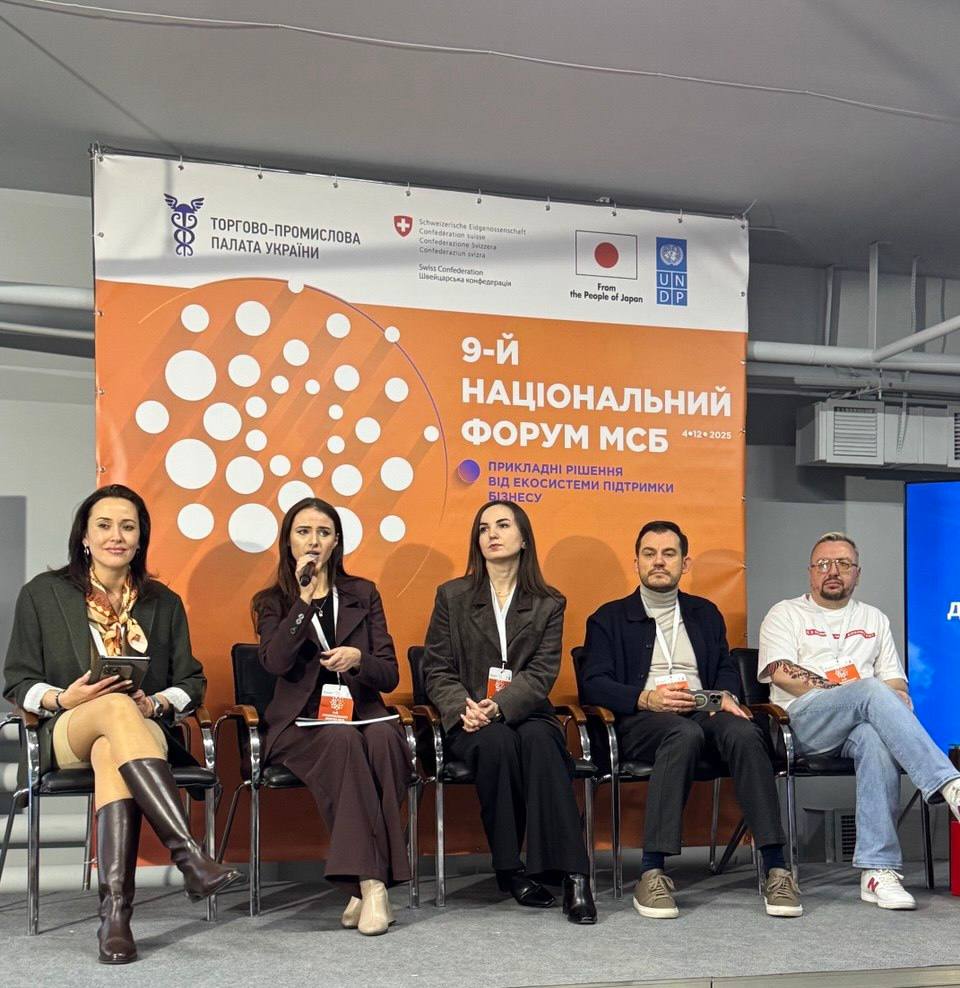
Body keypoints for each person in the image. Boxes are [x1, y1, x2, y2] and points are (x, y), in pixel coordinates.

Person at [3, 484, 242, 965]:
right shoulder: (43, 594)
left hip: (139, 729)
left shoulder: (162, 602)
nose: (117, 536)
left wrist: (155, 703)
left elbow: (191, 682)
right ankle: (188, 855)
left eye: (128, 527)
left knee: (114, 738)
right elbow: (17, 680)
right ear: (84, 537)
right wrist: (62, 697)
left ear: (140, 539)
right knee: (112, 709)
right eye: (105, 525)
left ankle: (115, 917)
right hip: (68, 727)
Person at [580, 520, 801, 919]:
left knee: (746, 733)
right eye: (649, 554)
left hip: (703, 710)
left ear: (685, 563)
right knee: (681, 734)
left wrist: (725, 696)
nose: (658, 562)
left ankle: (776, 867)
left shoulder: (705, 614)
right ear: (636, 562)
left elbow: (725, 667)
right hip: (642, 718)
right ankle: (652, 871)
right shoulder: (609, 618)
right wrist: (646, 698)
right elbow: (593, 683)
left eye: (669, 554)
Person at [759, 531, 960, 910]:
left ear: (857, 573)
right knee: (868, 690)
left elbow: (895, 683)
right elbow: (782, 672)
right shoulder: (784, 613)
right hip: (803, 721)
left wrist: (892, 698)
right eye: (823, 564)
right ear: (810, 571)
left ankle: (876, 870)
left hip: (859, 725)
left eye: (843, 564)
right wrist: (857, 692)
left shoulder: (874, 619)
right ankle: (949, 784)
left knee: (874, 738)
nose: (833, 571)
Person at [422, 499, 596, 924]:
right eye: (483, 528)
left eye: (502, 525)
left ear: (523, 539)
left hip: (527, 711)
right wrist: (462, 708)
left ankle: (574, 875)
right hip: (468, 716)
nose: (491, 535)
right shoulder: (452, 596)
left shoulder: (548, 602)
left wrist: (499, 706)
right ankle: (510, 868)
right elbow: (436, 667)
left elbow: (542, 671)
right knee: (496, 744)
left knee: (542, 744)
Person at [251, 497, 411, 936]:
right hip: (300, 724)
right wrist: (302, 602)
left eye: (323, 533)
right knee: (342, 741)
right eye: (303, 532)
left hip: (361, 715)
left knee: (386, 742)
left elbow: (390, 674)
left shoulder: (363, 593)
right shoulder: (273, 602)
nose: (313, 541)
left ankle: (362, 887)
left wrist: (359, 660)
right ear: (288, 541)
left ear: (336, 542)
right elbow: (276, 661)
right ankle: (373, 884)